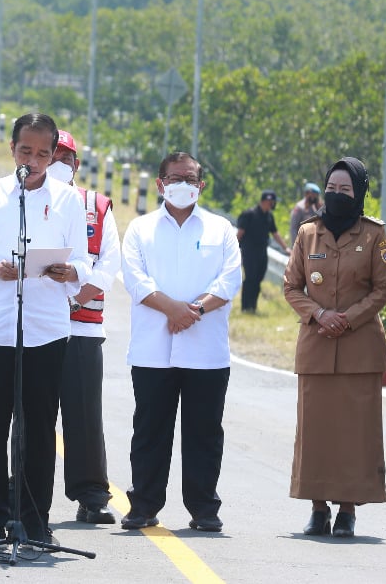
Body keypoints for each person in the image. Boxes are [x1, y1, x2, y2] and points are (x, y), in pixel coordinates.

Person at [0, 112, 92, 546]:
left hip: (47, 329)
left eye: (42, 153)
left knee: (38, 428)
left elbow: (84, 264)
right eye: (25, 151)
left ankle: (35, 521)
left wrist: (69, 270)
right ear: (11, 150)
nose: (33, 160)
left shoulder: (68, 200)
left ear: (54, 156)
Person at [119, 151, 242, 533]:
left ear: (201, 185)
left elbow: (230, 280)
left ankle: (204, 508)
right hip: (153, 350)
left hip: (206, 351)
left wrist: (195, 311)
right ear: (159, 184)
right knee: (150, 430)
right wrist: (173, 309)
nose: (182, 185)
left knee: (204, 433)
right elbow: (135, 280)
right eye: (174, 179)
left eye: (190, 179)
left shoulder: (220, 230)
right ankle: (143, 505)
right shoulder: (140, 229)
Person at [282, 157, 386, 539]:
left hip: (359, 349)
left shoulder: (374, 234)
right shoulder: (307, 232)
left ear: (359, 192)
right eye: (332, 188)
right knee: (315, 432)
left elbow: (384, 287)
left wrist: (347, 317)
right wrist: (319, 314)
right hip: (316, 346)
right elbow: (291, 286)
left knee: (355, 434)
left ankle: (347, 510)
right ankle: (317, 509)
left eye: (346, 190)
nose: (337, 195)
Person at [47, 129, 122, 526]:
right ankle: (18, 491)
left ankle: (92, 495)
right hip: (37, 328)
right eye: (51, 153)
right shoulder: (25, 202)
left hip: (82, 329)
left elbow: (109, 264)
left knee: (84, 416)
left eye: (65, 155)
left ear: (76, 164)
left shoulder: (96, 206)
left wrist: (74, 298)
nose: (58, 161)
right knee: (29, 415)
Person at [236, 190, 288, 313]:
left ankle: (253, 306)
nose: (272, 205)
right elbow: (240, 233)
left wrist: (285, 248)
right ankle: (245, 307)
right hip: (249, 251)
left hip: (262, 251)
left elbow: (275, 233)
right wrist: (233, 248)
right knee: (250, 278)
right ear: (265, 201)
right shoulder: (249, 214)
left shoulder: (269, 216)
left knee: (258, 278)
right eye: (271, 202)